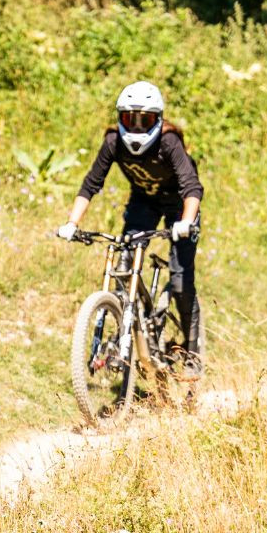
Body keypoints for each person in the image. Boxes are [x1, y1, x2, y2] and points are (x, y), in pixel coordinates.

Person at [57, 80, 204, 380]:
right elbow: (90, 184)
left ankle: (192, 354)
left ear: (158, 119)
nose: (136, 128)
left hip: (180, 207)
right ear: (120, 117)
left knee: (179, 282)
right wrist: (72, 224)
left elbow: (192, 188)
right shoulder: (113, 142)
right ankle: (129, 333)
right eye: (129, 118)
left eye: (145, 120)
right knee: (123, 269)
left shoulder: (169, 142)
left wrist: (186, 223)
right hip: (144, 202)